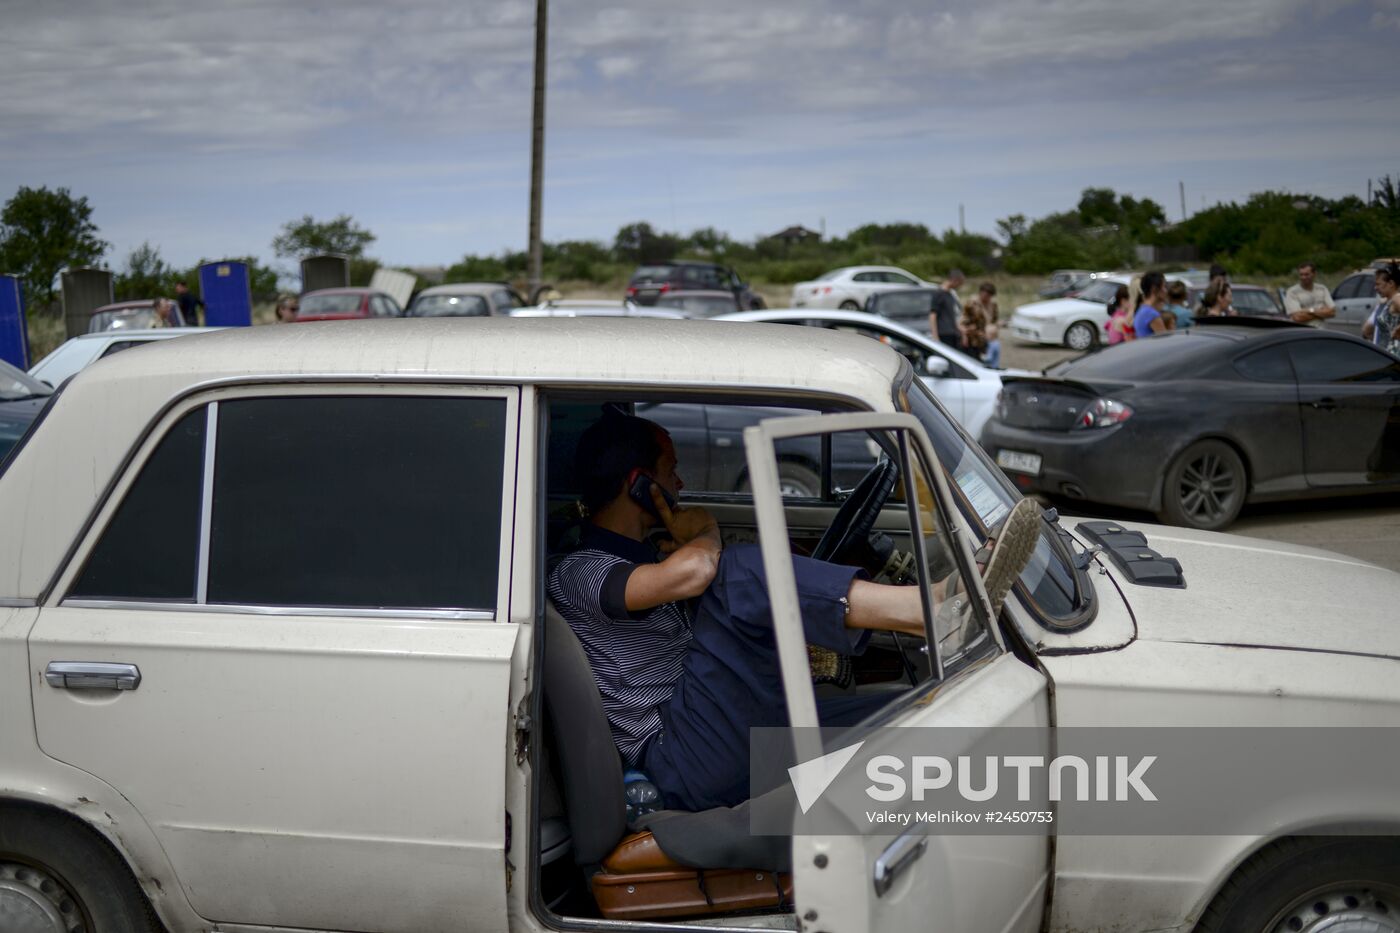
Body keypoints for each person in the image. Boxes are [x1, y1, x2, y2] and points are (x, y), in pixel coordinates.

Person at [547, 409, 1038, 813]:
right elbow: (698, 571)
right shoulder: (580, 570)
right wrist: (705, 530)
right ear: (640, 485)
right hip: (680, 757)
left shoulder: (647, 558)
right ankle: (930, 608)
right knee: (734, 571)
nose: (681, 482)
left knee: (904, 715)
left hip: (708, 729)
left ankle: (940, 613)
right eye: (671, 471)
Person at [1363, 262, 1400, 356]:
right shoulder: (1384, 303)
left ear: (1391, 283)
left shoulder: (1397, 298)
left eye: (1378, 284)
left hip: (1394, 355)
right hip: (1384, 355)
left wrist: (1398, 329)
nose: (1375, 288)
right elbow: (1366, 331)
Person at [1283, 262, 1335, 327]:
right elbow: (1297, 317)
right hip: (1304, 331)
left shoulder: (1322, 289)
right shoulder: (1292, 292)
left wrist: (1308, 310)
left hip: (1321, 331)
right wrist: (1322, 312)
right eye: (1301, 275)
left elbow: (1332, 313)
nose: (1303, 277)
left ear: (1314, 274)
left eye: (1306, 274)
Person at [961, 282, 1000, 366]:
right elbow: (964, 321)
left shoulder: (993, 305)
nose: (987, 298)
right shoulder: (972, 303)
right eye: (985, 295)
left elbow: (995, 320)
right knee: (974, 361)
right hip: (974, 338)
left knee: (991, 360)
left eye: (989, 296)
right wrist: (965, 334)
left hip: (988, 337)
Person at [928, 268, 965, 348]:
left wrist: (960, 330)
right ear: (955, 280)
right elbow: (933, 315)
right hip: (944, 334)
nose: (959, 286)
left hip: (952, 333)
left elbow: (951, 315)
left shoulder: (950, 294)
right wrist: (935, 336)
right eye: (960, 283)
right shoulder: (939, 294)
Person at [1133, 272, 1169, 338]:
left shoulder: (1142, 309)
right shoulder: (1151, 314)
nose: (1166, 291)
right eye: (1164, 286)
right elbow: (1166, 340)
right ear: (1154, 288)